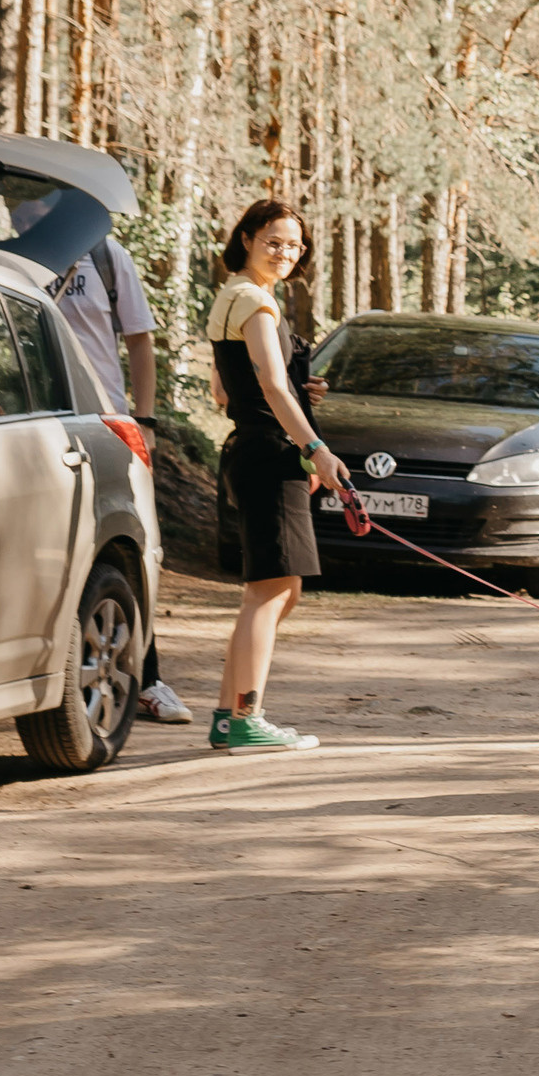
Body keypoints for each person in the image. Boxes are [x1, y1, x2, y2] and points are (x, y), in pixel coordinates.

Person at [205, 200, 348, 753]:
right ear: (246, 238)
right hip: (270, 455)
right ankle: (246, 718)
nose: (285, 251)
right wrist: (317, 449)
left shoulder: (230, 298)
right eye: (273, 240)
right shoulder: (256, 303)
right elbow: (267, 385)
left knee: (271, 593)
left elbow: (225, 391)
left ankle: (227, 717)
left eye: (293, 244)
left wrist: (295, 387)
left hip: (252, 449)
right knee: (273, 592)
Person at [52, 235, 194, 725]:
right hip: (36, 419)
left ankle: (146, 678)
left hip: (105, 420)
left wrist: (146, 421)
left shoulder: (106, 257)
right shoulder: (9, 247)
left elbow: (139, 337)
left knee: (128, 544)